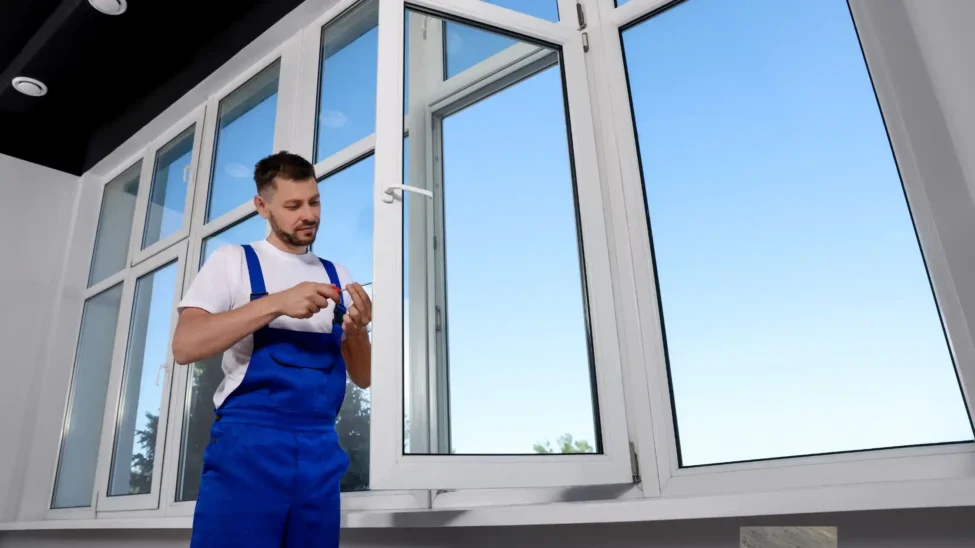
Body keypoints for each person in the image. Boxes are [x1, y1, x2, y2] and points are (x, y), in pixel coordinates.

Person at [171, 151, 371, 548]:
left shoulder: (338, 275)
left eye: (314, 202)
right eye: (293, 205)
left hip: (319, 453)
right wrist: (277, 303)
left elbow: (363, 377)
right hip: (247, 449)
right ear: (262, 206)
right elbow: (185, 346)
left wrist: (359, 331)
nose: (308, 214)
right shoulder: (233, 262)